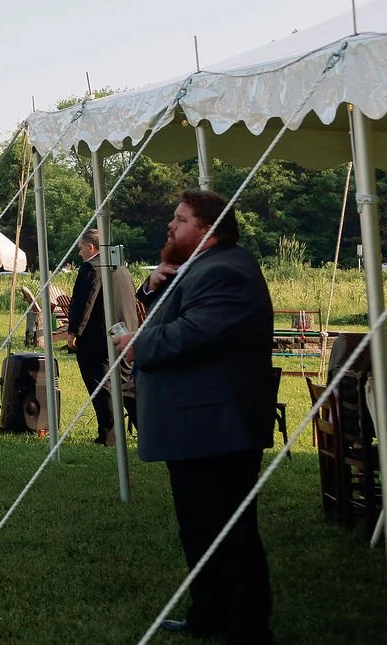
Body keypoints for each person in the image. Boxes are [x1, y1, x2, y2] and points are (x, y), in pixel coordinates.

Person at [115, 190, 275, 644]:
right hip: (197, 427)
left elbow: (198, 331)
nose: (171, 226)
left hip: (216, 428)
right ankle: (209, 614)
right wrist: (154, 284)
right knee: (200, 528)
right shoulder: (201, 268)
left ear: (208, 230)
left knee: (230, 532)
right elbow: (180, 312)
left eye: (181, 220)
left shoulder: (226, 270)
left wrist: (138, 345)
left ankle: (248, 630)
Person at [61, 227, 139, 446]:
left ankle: (109, 434)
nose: (79, 253)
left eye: (80, 248)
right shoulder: (121, 269)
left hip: (98, 338)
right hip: (124, 332)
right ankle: (147, 426)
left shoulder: (91, 268)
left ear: (91, 247)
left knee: (101, 386)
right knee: (126, 385)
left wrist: (74, 331)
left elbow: (84, 302)